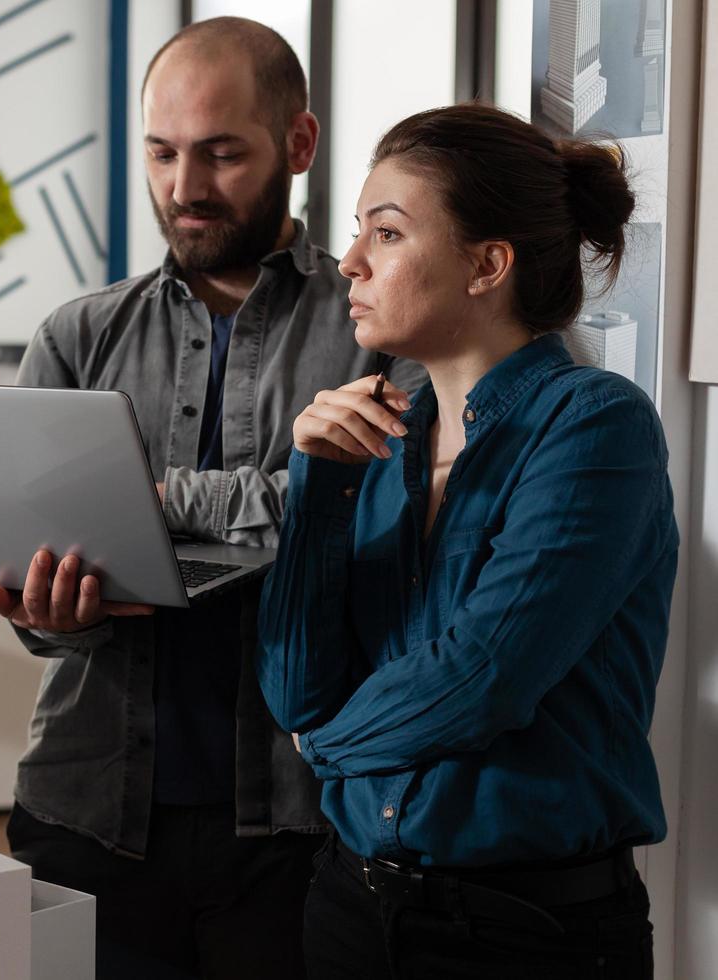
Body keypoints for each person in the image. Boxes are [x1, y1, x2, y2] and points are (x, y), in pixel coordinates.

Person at [0, 18, 422, 978]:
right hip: (88, 808)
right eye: (163, 152)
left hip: (302, 823)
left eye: (222, 154)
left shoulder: (380, 328)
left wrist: (154, 499)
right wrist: (50, 613)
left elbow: (388, 521)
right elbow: (39, 581)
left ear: (299, 145)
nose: (185, 188)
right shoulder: (74, 337)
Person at [257, 103, 674, 979]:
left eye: (389, 233)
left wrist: (324, 751)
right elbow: (296, 693)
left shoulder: (596, 426)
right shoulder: (375, 437)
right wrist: (317, 483)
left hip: (526, 930)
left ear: (487, 264)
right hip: (350, 899)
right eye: (358, 233)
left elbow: (483, 676)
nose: (351, 261)